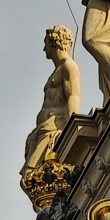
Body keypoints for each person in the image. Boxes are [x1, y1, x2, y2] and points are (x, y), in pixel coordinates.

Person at [23, 25, 81, 174]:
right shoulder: (57, 70)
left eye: (46, 43)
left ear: (54, 42)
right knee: (32, 178)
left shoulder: (69, 66)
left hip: (54, 128)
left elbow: (73, 97)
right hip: (42, 130)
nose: (44, 49)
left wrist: (70, 132)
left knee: (30, 175)